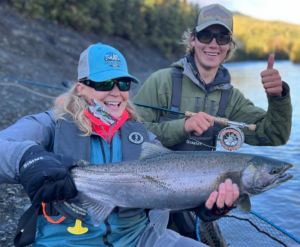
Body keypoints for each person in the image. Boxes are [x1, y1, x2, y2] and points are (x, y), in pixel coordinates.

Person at [0, 43, 239, 247]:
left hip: (138, 236)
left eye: (123, 84)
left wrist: (203, 204)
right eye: (104, 84)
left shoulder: (141, 135)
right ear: (81, 88)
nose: (116, 93)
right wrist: (26, 158)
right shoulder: (51, 124)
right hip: (65, 238)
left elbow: (170, 188)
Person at [133, 3, 292, 241]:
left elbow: (274, 135)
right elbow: (131, 138)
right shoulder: (161, 82)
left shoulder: (233, 99)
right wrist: (182, 127)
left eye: (222, 37)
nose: (213, 44)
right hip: (146, 200)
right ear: (193, 40)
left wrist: (278, 97)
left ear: (229, 46)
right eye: (206, 35)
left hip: (198, 208)